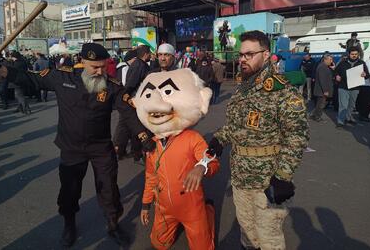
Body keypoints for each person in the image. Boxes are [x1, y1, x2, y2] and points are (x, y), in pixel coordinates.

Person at [0, 43, 155, 247]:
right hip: (71, 148)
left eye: (103, 67)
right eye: (95, 67)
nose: (100, 72)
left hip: (100, 148)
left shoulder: (111, 86)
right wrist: (1, 68)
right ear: (82, 62)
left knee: (109, 189)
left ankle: (113, 224)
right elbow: (30, 79)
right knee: (70, 190)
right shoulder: (63, 78)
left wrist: (143, 136)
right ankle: (69, 225)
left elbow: (129, 112)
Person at [207, 30, 309, 250]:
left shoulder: (282, 91)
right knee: (247, 233)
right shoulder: (243, 88)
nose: (242, 59)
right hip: (241, 178)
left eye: (249, 54)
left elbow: (297, 135)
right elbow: (236, 126)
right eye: (241, 54)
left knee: (268, 239)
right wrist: (220, 139)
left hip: (267, 180)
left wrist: (283, 176)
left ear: (266, 54)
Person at [134, 69, 218, 250]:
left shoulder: (192, 138)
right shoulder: (152, 145)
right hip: (164, 207)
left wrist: (201, 167)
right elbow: (151, 177)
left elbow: (211, 160)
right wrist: (146, 204)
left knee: (202, 247)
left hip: (191, 206)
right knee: (158, 244)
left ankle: (208, 210)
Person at [123, 45, 152, 161]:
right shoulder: (139, 65)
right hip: (137, 102)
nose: (151, 55)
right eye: (149, 53)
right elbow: (131, 84)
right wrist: (129, 97)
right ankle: (138, 153)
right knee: (139, 129)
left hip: (139, 100)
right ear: (145, 54)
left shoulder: (140, 64)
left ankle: (139, 152)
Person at [335, 47, 369, 127]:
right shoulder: (343, 62)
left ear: (358, 54)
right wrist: (336, 76)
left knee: (351, 105)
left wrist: (365, 75)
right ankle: (340, 121)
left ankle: (348, 117)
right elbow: (335, 71)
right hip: (343, 86)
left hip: (355, 87)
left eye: (356, 54)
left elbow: (367, 75)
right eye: (352, 54)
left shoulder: (362, 63)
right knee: (343, 105)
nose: (354, 56)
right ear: (349, 54)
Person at [113, 50, 138, 160]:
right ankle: (118, 149)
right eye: (135, 59)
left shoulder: (122, 67)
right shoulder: (125, 68)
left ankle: (121, 149)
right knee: (123, 125)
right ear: (131, 59)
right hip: (124, 101)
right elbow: (125, 85)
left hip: (123, 101)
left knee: (125, 125)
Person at [310, 54, 334, 121]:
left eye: (332, 59)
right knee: (321, 104)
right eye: (330, 59)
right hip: (321, 90)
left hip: (321, 90)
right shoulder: (323, 67)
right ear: (325, 59)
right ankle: (317, 116)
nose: (331, 61)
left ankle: (314, 115)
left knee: (320, 104)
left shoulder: (324, 66)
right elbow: (322, 80)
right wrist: (325, 90)